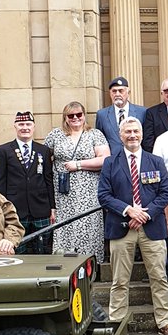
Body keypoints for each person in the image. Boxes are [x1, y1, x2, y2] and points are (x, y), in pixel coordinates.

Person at [97, 117, 168, 335]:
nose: (132, 135)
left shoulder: (156, 161)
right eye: (127, 132)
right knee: (119, 280)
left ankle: (164, 321)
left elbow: (165, 194)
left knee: (159, 277)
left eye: (135, 131)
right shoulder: (110, 163)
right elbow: (104, 196)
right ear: (121, 136)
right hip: (121, 228)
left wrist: (144, 214)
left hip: (152, 228)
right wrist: (129, 211)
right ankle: (117, 324)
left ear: (141, 134)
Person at [44, 101, 110, 263]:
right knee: (64, 228)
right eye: (71, 115)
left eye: (79, 114)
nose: (75, 118)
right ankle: (64, 264)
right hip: (63, 193)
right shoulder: (55, 135)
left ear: (84, 115)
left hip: (88, 192)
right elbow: (45, 159)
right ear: (65, 117)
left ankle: (90, 265)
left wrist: (78, 165)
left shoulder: (94, 134)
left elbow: (105, 159)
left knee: (88, 226)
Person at [0, 110, 56, 254]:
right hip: (15, 210)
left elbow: (48, 179)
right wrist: (1, 208)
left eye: (28, 124)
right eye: (21, 124)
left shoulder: (44, 150)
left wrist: (52, 207)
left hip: (41, 208)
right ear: (15, 127)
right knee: (18, 250)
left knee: (43, 250)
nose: (25, 127)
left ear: (34, 127)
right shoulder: (4, 150)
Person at [95, 76, 147, 155]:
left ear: (128, 93)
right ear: (110, 93)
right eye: (114, 91)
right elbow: (99, 141)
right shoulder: (102, 115)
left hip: (135, 159)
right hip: (113, 161)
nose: (117, 94)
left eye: (120, 91)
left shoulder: (142, 112)